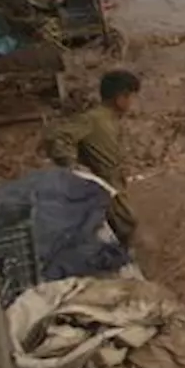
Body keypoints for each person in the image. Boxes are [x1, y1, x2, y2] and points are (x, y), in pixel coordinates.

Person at [43, 69, 142, 247]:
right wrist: (71, 164)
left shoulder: (111, 120)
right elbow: (57, 136)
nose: (133, 103)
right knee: (126, 222)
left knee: (121, 224)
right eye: (132, 97)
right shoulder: (93, 119)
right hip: (102, 183)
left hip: (114, 182)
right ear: (121, 98)